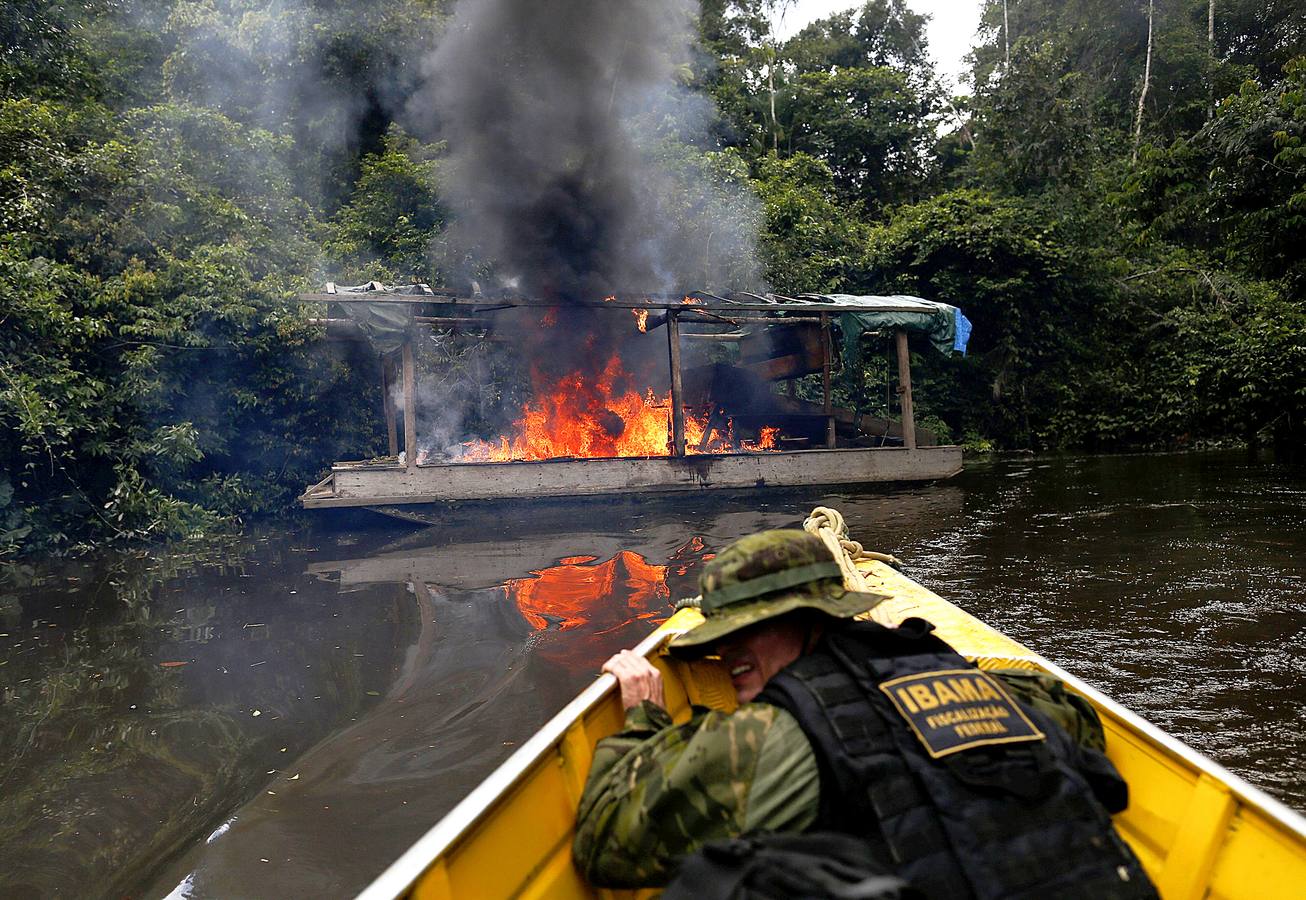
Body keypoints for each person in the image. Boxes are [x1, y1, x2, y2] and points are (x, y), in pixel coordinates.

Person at [573, 529, 1157, 898]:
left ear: (807, 623)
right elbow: (1079, 716)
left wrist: (646, 722)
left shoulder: (770, 736)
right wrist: (942, 668)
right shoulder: (984, 691)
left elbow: (606, 847)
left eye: (746, 634)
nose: (727, 656)